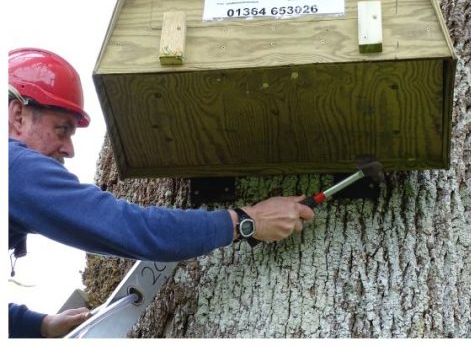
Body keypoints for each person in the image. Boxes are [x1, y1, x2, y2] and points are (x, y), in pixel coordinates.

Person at [8, 47, 315, 338]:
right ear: (17, 114)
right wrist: (247, 221)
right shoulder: (14, 166)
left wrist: (40, 326)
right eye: (62, 129)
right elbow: (133, 229)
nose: (69, 149)